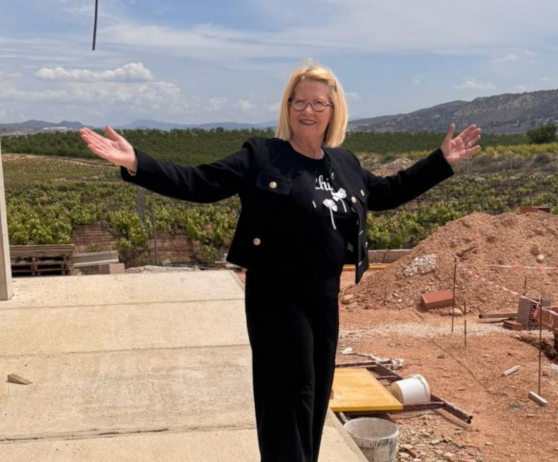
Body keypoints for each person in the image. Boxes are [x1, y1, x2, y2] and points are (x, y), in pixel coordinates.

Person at [79, 63, 481, 462]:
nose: (307, 110)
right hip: (276, 299)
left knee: (314, 402)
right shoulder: (263, 155)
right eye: (298, 101)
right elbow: (200, 183)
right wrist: (137, 163)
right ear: (287, 107)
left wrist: (440, 161)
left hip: (323, 302)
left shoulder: (344, 163)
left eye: (318, 103)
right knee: (287, 404)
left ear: (333, 111)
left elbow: (389, 192)